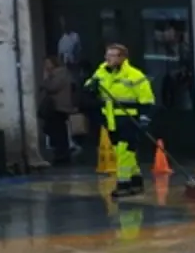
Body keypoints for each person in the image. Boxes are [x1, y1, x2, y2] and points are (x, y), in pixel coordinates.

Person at [86, 44, 155, 199]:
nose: (108, 58)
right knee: (123, 152)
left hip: (129, 119)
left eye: (112, 55)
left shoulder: (134, 76)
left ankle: (123, 184)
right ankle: (136, 181)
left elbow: (147, 99)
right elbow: (88, 87)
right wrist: (92, 87)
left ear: (122, 58)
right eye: (107, 55)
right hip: (110, 120)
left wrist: (145, 119)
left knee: (124, 151)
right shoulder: (102, 71)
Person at [38, 56, 77, 165]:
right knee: (58, 132)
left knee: (58, 133)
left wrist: (46, 79)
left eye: (47, 63)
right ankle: (61, 154)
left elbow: (52, 87)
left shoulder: (59, 74)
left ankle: (62, 155)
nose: (46, 66)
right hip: (58, 107)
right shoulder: (60, 74)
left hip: (58, 107)